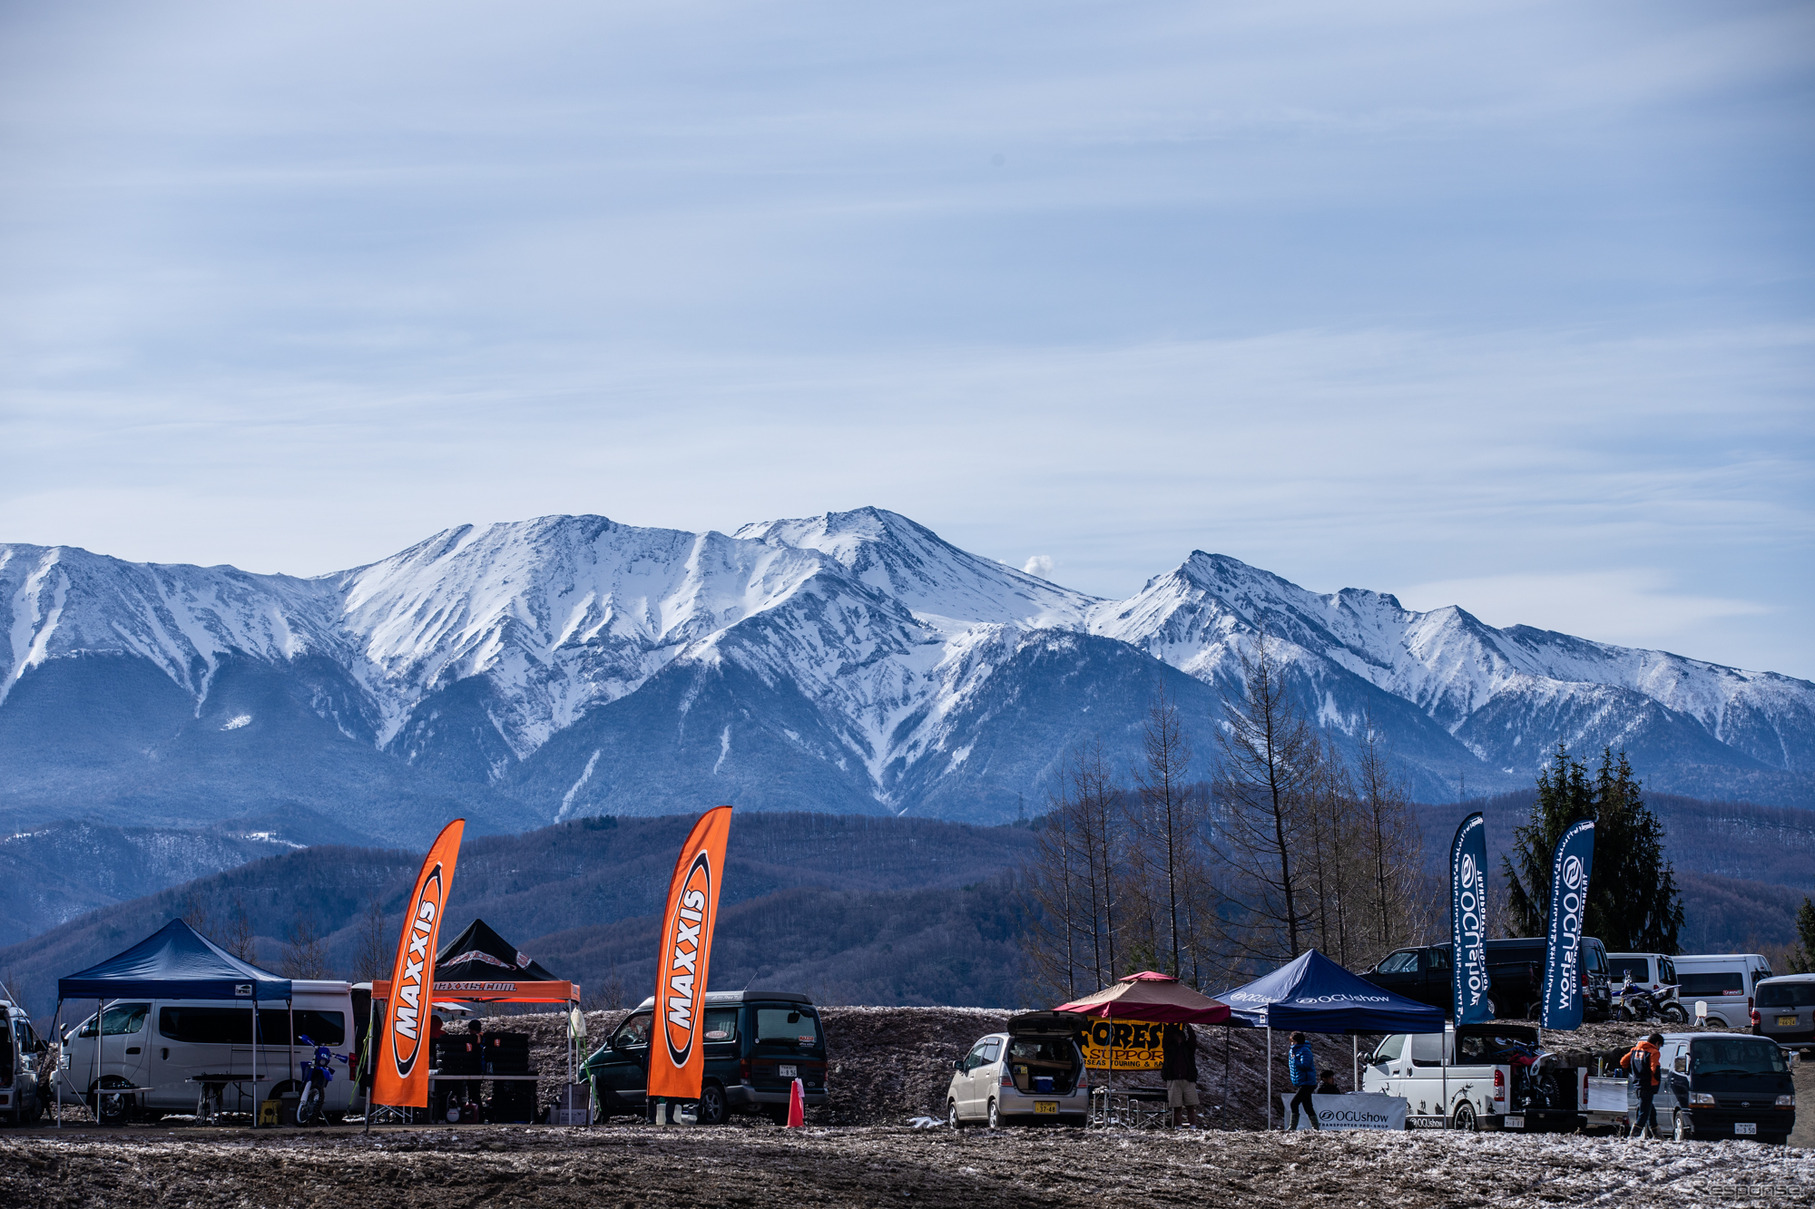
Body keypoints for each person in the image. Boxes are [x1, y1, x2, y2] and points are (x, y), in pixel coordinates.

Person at [1620, 1032, 1664, 1139]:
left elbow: (1623, 1062)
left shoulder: (1635, 1050)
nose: (1659, 1049)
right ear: (1657, 1043)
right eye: (1660, 1046)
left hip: (1637, 1085)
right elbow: (1654, 1068)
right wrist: (1658, 1078)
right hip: (1648, 1085)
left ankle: (1657, 1133)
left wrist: (1633, 1072)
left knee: (1650, 1110)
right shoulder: (1653, 1052)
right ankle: (1634, 1134)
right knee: (1644, 1112)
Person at [1160, 1023, 1200, 1128]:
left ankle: (1193, 1127)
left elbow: (1193, 1040)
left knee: (1190, 1106)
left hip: (1187, 1079)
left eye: (1180, 1035)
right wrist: (1171, 1025)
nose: (1178, 1037)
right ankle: (1179, 1128)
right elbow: (1166, 1037)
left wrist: (1189, 1027)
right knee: (1177, 1107)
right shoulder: (1169, 1048)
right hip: (1174, 1079)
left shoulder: (1188, 1048)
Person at [1287, 1031, 1320, 1130]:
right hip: (1302, 1082)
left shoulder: (1305, 1051)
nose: (1291, 1043)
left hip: (1307, 1083)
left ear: (1297, 1041)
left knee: (1294, 1103)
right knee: (1307, 1106)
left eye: (1293, 1041)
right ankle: (1316, 1128)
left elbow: (1305, 1065)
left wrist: (1294, 1060)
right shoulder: (1293, 1051)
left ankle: (1292, 1127)